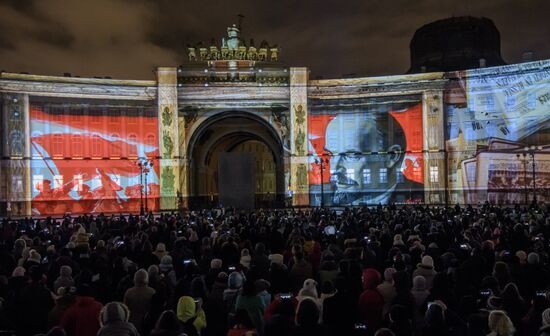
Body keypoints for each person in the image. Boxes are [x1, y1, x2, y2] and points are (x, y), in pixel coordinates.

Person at [124, 268, 156, 332]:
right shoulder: (152, 292)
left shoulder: (129, 292)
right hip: (147, 322)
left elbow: (125, 309)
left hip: (132, 321)